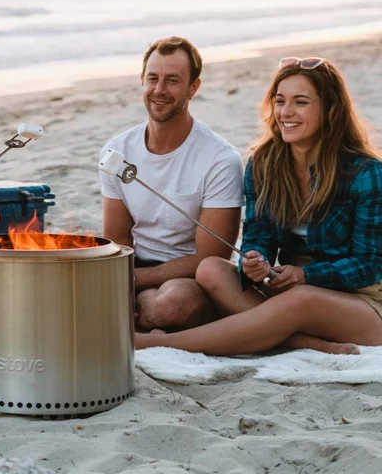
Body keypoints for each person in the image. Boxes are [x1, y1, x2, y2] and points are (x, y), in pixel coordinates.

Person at [135, 56, 382, 355]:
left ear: (329, 110)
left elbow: (371, 265)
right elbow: (258, 235)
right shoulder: (264, 164)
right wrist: (255, 260)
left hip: (361, 300)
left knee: (301, 300)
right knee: (210, 269)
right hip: (288, 286)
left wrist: (307, 276)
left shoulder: (365, 172)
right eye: (280, 101)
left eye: (300, 102)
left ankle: (157, 343)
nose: (285, 112)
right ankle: (301, 341)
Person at [100, 37, 244, 332]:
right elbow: (118, 240)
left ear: (193, 87)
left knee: (171, 305)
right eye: (153, 78)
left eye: (172, 80)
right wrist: (121, 282)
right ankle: (138, 313)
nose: (159, 90)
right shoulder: (117, 151)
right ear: (142, 80)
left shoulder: (220, 159)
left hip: (191, 277)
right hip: (136, 266)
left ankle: (140, 316)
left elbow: (212, 257)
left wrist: (135, 281)